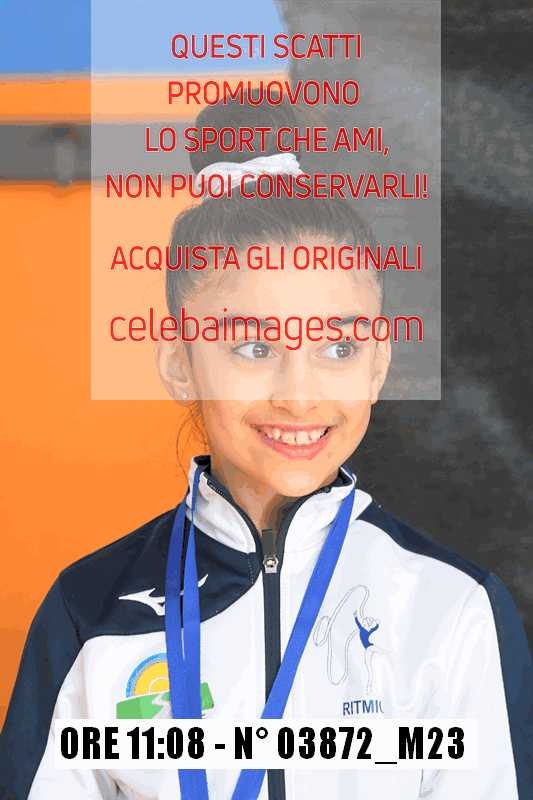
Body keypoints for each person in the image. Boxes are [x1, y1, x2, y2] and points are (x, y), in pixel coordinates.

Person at [1, 96, 532, 800]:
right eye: (254, 347)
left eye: (337, 347)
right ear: (180, 363)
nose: (299, 395)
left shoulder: (456, 608)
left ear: (378, 365)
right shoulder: (89, 612)